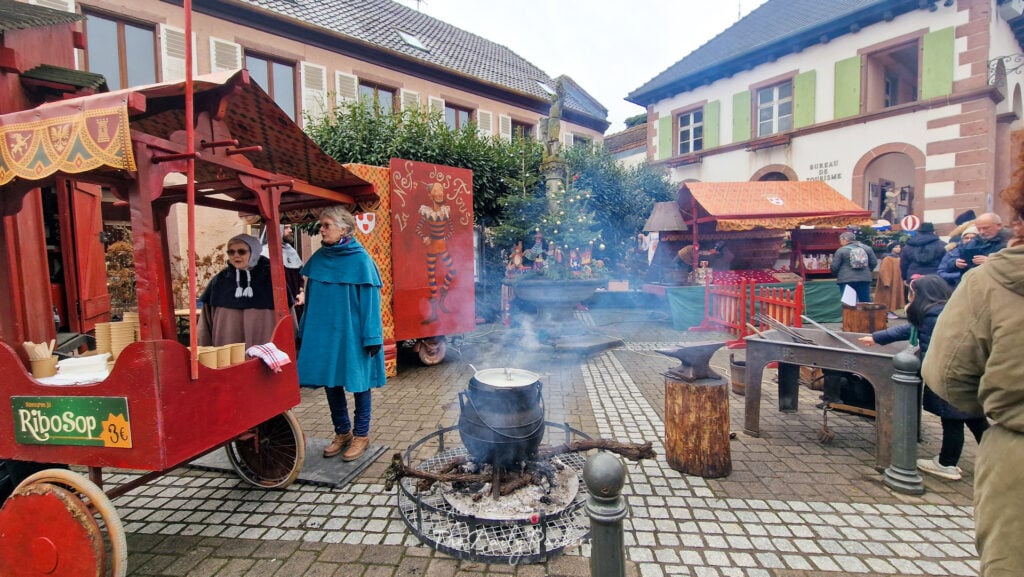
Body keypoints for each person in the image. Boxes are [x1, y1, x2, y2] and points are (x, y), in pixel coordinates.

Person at [922, 195, 1024, 576]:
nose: (980, 234)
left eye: (987, 229)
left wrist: (990, 407)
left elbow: (948, 375)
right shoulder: (967, 257)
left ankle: (949, 460)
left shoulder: (993, 281)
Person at [859, 275, 987, 482]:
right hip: (969, 372)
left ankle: (947, 463)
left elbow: (910, 329)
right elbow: (910, 329)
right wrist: (877, 337)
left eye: (913, 292)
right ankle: (995, 458)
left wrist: (877, 337)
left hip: (950, 373)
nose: (911, 296)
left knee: (953, 419)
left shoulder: (932, 315)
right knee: (975, 419)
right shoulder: (949, 309)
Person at [297, 206, 386, 461]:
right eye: (322, 225)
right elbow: (310, 300)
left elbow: (370, 304)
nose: (321, 229)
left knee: (360, 384)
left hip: (354, 336)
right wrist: (304, 332)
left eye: (326, 225)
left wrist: (372, 337)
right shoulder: (319, 259)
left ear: (344, 229)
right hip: (325, 335)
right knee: (331, 383)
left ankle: (361, 435)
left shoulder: (361, 260)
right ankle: (342, 432)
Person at [198, 234, 278, 348]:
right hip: (227, 346)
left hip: (264, 344)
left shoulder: (271, 279)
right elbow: (205, 324)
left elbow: (287, 318)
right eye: (231, 252)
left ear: (253, 252)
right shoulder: (220, 281)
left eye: (241, 251)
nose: (236, 255)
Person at [416, 182, 457, 323]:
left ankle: (442, 298)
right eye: (436, 190)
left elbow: (451, 230)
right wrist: (424, 238)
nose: (440, 192)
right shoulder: (426, 213)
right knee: (432, 278)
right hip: (431, 248)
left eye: (441, 189)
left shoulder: (446, 211)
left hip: (441, 246)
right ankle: (434, 313)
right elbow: (418, 229)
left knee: (452, 270)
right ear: (430, 194)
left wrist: (444, 239)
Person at [261, 224, 304, 316]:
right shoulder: (264, 254)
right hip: (274, 306)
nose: (290, 230)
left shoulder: (292, 252)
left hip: (295, 305)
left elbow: (300, 278)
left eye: (290, 227)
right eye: (286, 228)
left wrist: (302, 293)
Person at [830, 231, 877, 303]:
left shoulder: (841, 251)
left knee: (848, 303)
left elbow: (834, 266)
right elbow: (874, 262)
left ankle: (850, 314)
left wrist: (837, 275)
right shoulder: (867, 249)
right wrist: (867, 270)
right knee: (865, 301)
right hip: (864, 279)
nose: (840, 242)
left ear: (844, 240)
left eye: (840, 240)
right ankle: (866, 314)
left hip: (846, 279)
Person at [874, 241, 905, 317]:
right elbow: (884, 270)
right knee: (887, 297)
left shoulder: (899, 258)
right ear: (891, 248)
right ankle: (886, 311)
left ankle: (891, 310)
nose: (898, 249)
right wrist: (886, 281)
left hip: (896, 281)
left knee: (894, 296)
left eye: (899, 247)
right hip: (889, 282)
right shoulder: (887, 258)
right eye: (896, 247)